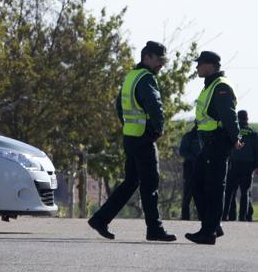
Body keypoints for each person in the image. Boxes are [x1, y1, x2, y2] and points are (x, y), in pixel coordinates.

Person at [88, 41, 176, 241]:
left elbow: (119, 105)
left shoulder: (131, 77)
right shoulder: (146, 78)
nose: (161, 65)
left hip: (130, 137)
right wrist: (157, 129)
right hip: (144, 139)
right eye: (159, 60)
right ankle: (155, 229)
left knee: (130, 183)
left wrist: (128, 125)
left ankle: (100, 219)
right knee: (150, 183)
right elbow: (155, 106)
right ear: (147, 58)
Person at [186, 51, 243, 245]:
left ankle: (208, 232)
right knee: (196, 183)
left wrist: (236, 137)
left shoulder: (221, 87)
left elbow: (229, 115)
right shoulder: (210, 86)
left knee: (214, 188)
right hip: (208, 145)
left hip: (217, 143)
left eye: (199, 64)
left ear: (210, 65)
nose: (197, 68)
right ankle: (212, 225)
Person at [222, 110, 257, 222]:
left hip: (233, 165)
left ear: (237, 118)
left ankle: (226, 216)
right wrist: (255, 166)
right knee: (245, 192)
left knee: (229, 191)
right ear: (247, 118)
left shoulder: (234, 132)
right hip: (248, 166)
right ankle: (242, 217)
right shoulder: (253, 133)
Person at [179, 122, 200, 220]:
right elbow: (182, 151)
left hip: (203, 168)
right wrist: (195, 158)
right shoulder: (189, 136)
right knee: (187, 194)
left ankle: (203, 218)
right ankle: (185, 218)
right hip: (190, 167)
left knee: (202, 195)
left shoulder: (207, 135)